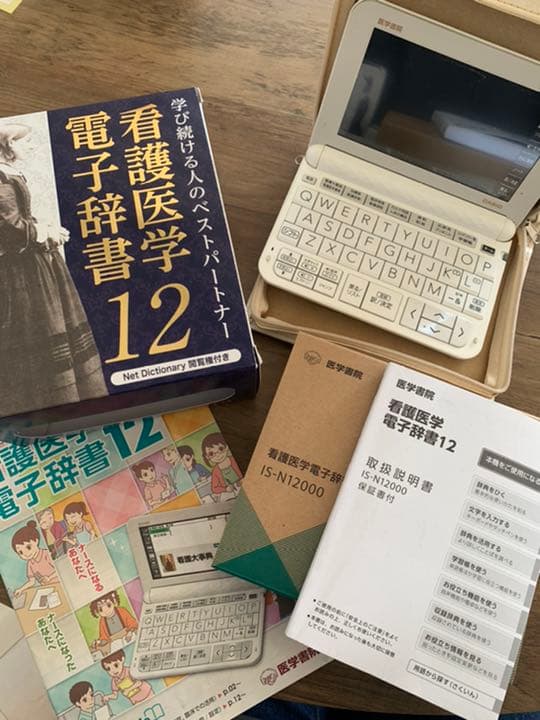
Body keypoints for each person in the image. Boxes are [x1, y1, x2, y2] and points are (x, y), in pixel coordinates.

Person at [0, 122, 106, 419]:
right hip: (20, 272)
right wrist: (44, 234)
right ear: (9, 145)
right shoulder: (1, 179)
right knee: (37, 331)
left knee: (53, 325)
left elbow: (20, 219)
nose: (31, 146)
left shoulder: (10, 174)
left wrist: (48, 229)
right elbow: (10, 228)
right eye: (26, 142)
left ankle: (73, 403)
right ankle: (49, 405)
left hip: (32, 264)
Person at [11, 519, 58, 597]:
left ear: (36, 541)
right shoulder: (30, 563)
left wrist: (49, 578)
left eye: (28, 547)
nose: (26, 554)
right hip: (47, 590)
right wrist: (21, 589)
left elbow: (60, 569)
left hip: (59, 584)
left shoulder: (46, 554)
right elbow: (32, 581)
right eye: (21, 552)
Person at [90, 589, 138, 656]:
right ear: (96, 612)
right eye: (101, 609)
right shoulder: (102, 621)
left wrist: (130, 632)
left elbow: (133, 623)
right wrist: (98, 642)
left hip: (128, 636)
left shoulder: (122, 611)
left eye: (108, 605)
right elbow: (104, 637)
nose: (106, 611)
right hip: (114, 643)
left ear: (114, 601)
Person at [201, 432, 242, 501]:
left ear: (226, 447)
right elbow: (214, 488)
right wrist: (225, 489)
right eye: (211, 453)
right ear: (207, 457)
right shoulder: (215, 471)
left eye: (220, 449)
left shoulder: (234, 460)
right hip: (229, 495)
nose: (218, 455)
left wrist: (241, 479)